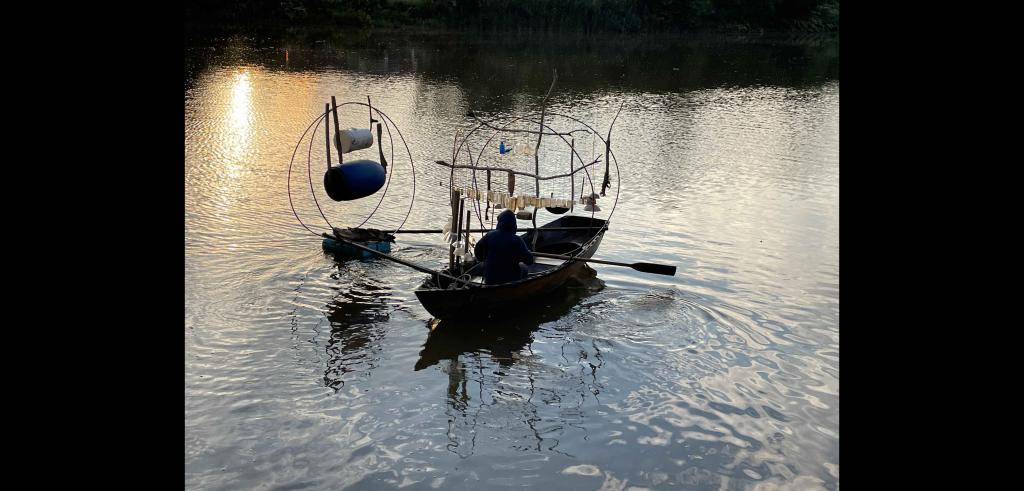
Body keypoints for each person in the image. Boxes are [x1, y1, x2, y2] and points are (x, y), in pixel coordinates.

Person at [474, 209, 535, 284]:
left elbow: (477, 253)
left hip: (490, 279)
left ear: (499, 223)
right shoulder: (517, 240)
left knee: (482, 266)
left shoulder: (489, 235)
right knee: (524, 268)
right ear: (514, 224)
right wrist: (528, 253)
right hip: (509, 280)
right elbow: (529, 261)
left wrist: (486, 259)